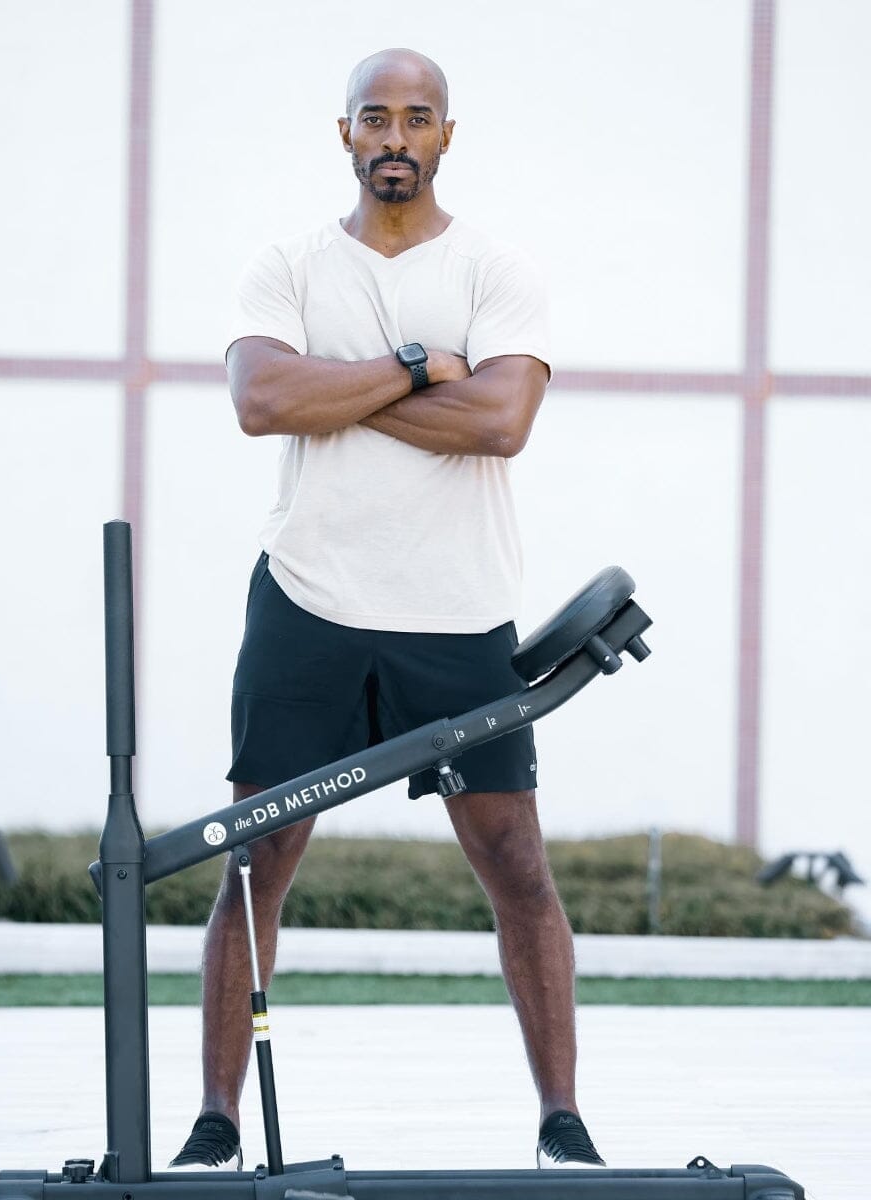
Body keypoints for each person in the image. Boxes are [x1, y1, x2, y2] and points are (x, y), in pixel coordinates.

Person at [171, 47, 605, 1171]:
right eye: (377, 119)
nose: (397, 137)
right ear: (347, 134)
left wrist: (346, 387)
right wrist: (419, 369)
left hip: (458, 610)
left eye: (418, 118)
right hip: (309, 598)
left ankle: (563, 1118)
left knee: (517, 865)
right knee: (254, 860)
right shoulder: (290, 263)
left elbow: (502, 422)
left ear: (447, 134)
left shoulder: (497, 269)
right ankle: (216, 1121)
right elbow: (263, 400)